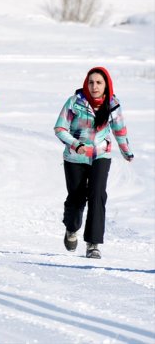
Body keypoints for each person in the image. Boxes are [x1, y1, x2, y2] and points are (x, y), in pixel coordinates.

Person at [54, 67, 133, 259]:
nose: (94, 86)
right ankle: (71, 229)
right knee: (77, 197)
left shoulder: (113, 104)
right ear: (86, 84)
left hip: (100, 155)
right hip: (75, 157)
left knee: (97, 195)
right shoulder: (74, 102)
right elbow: (60, 128)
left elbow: (119, 130)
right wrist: (76, 144)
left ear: (106, 85)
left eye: (99, 83)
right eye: (91, 82)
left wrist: (126, 151)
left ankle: (93, 243)